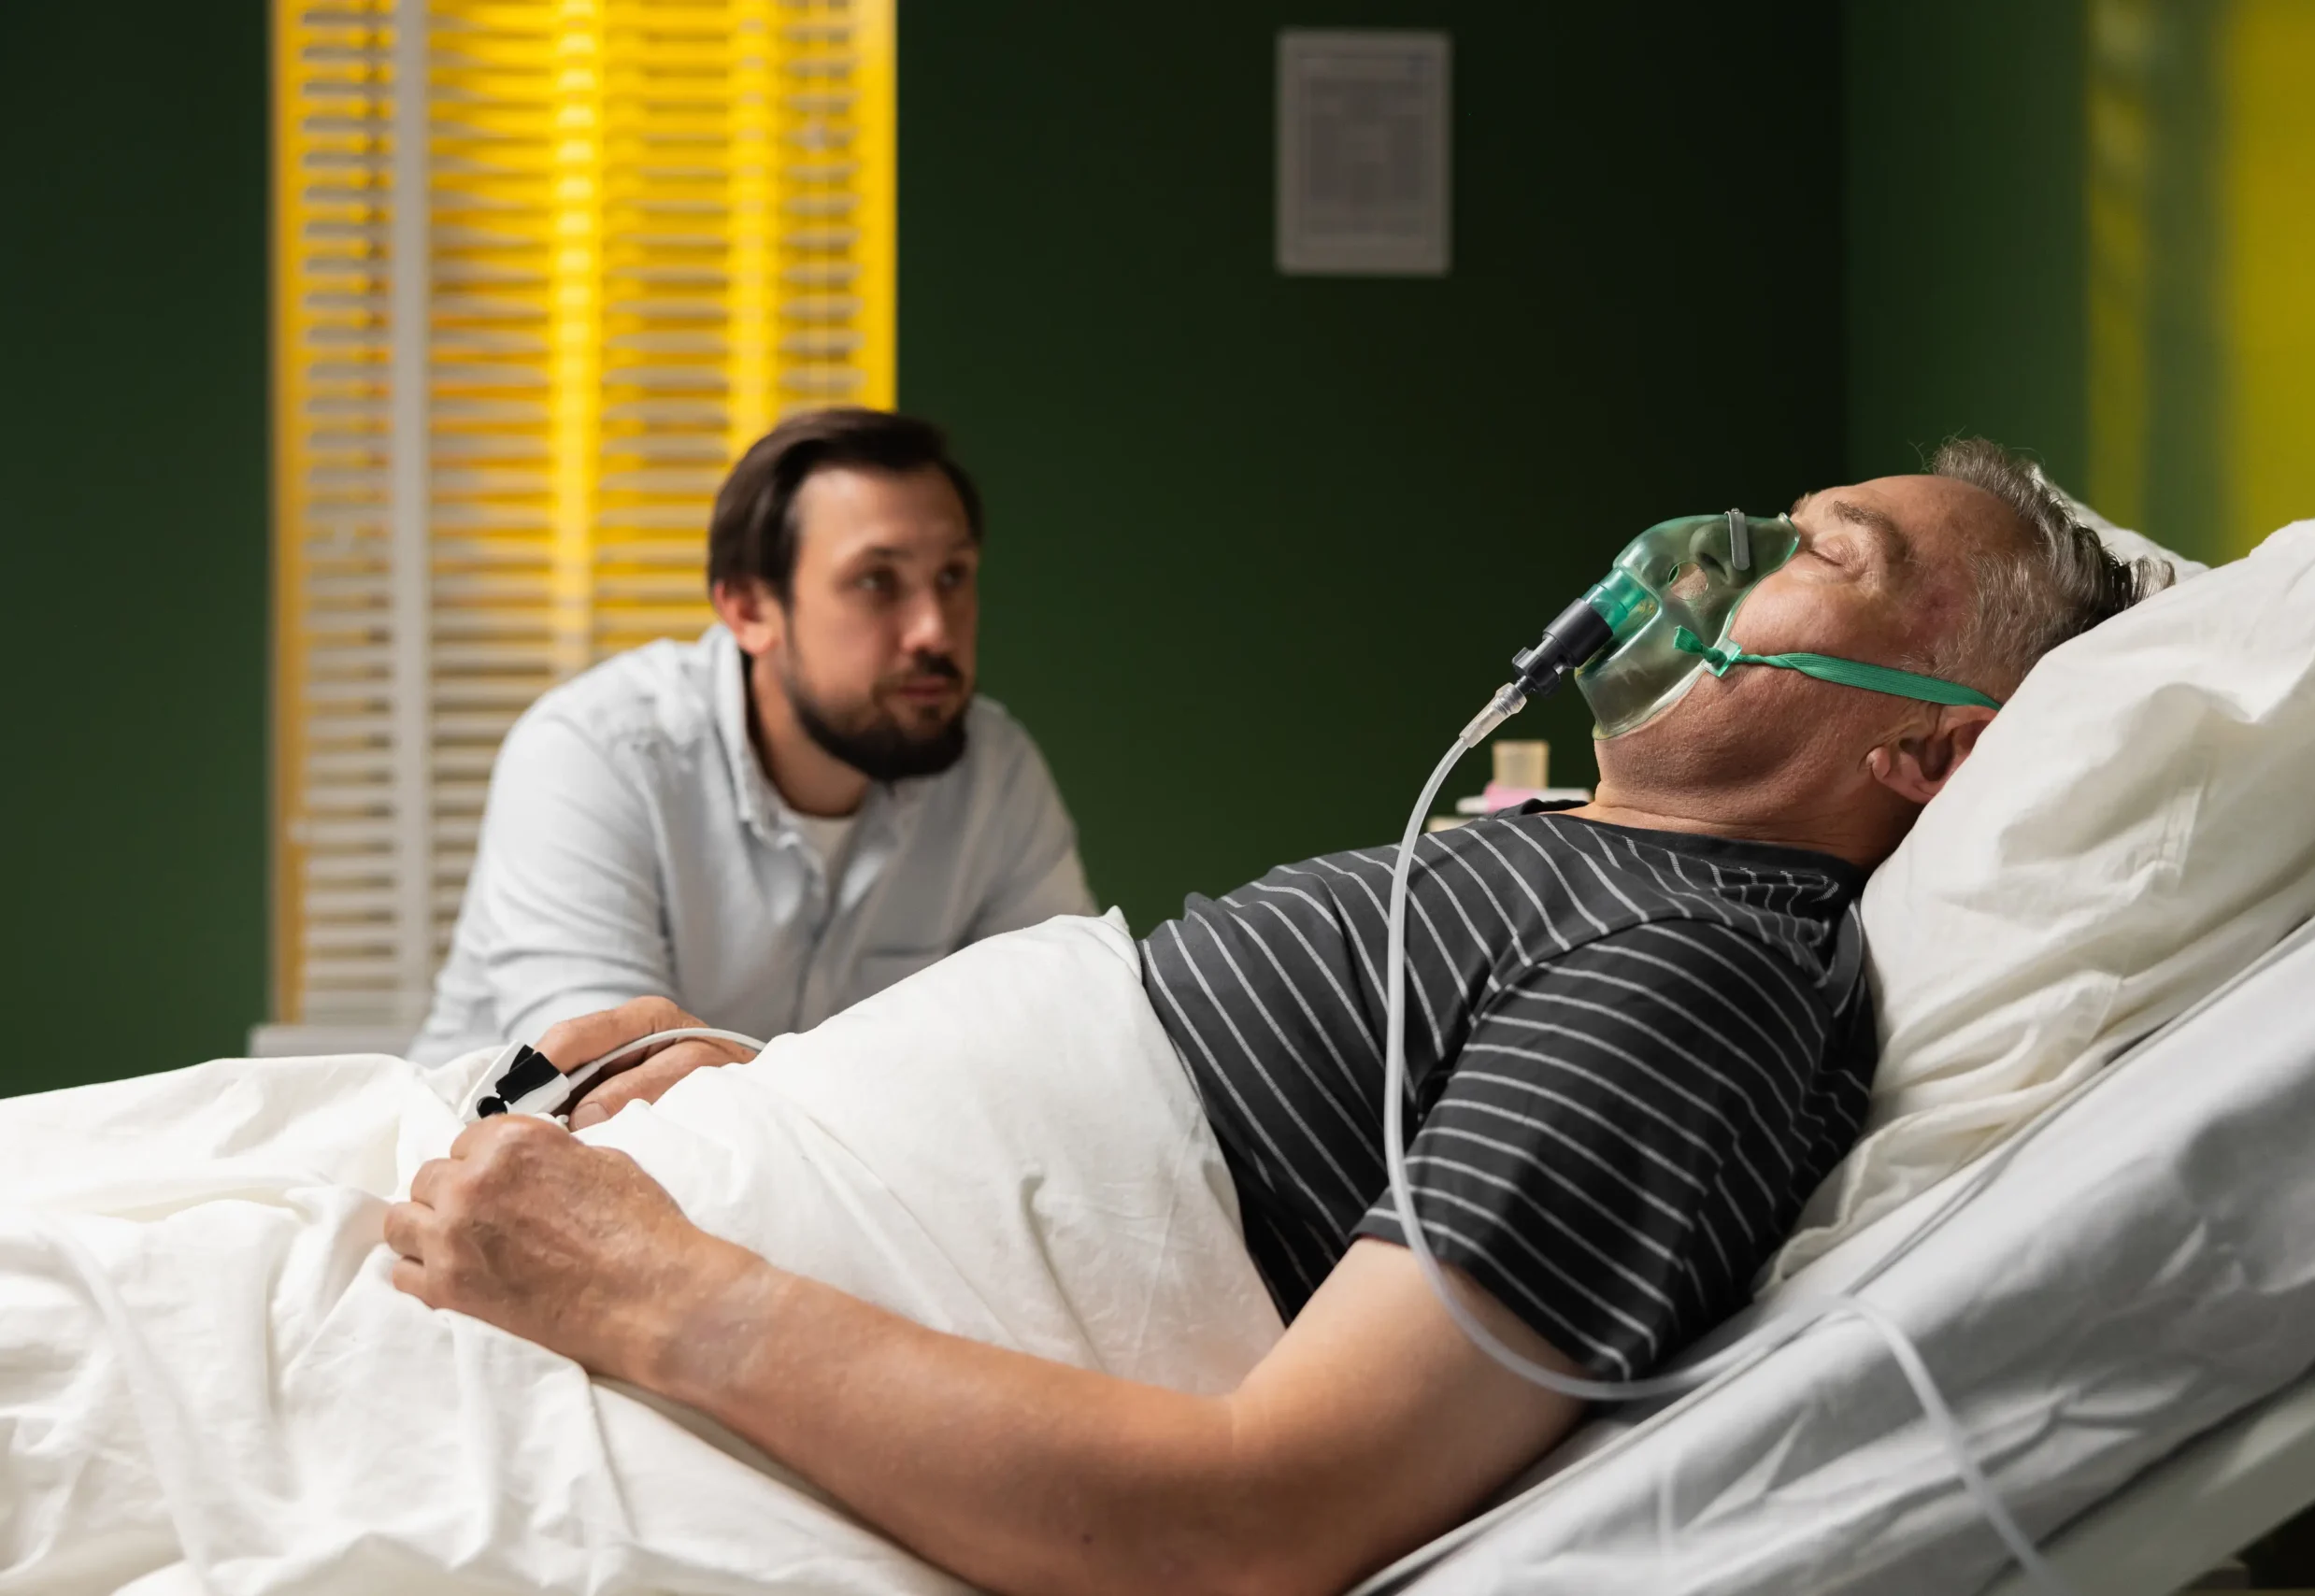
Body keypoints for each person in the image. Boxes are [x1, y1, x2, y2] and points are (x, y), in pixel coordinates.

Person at [382, 441, 2168, 1596]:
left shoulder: (1702, 967)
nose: (1722, 553)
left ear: (1932, 746)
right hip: (611, 1188)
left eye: (1817, 555)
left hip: (615, 1293)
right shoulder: (1580, 858)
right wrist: (787, 1090)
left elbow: (1265, 1511)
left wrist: (651, 1285)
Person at [409, 407, 1096, 1066]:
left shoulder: (993, 770)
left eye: (952, 576)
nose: (935, 631)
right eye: (876, 581)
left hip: (790, 1185)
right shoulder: (594, 754)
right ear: (747, 609)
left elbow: (1068, 1040)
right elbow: (605, 1091)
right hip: (485, 1169)